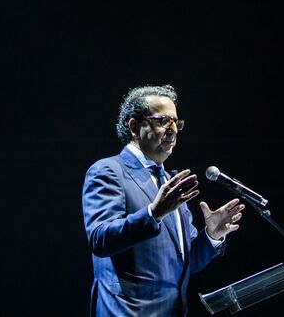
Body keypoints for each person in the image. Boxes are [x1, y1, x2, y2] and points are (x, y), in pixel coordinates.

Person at [83, 84, 244, 316]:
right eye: (162, 121)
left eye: (176, 123)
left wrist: (211, 236)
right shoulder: (108, 171)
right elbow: (100, 239)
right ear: (135, 127)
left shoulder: (170, 182)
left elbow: (186, 263)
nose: (173, 130)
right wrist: (153, 213)